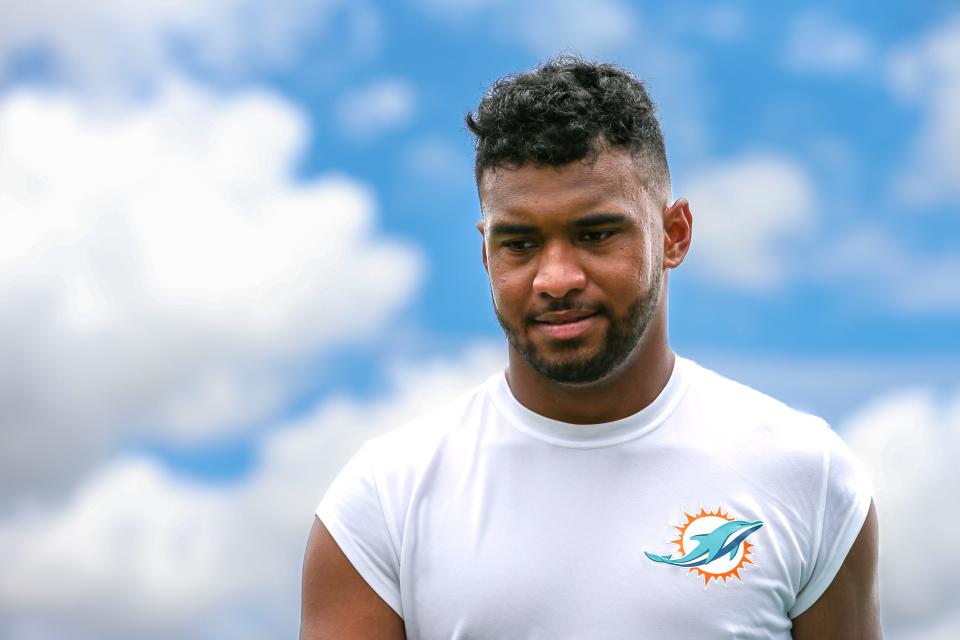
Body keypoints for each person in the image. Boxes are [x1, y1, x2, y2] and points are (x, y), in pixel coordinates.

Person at [300, 57, 880, 639]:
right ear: (485, 253)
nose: (555, 278)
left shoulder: (807, 476)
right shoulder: (383, 501)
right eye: (520, 243)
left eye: (596, 234)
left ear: (673, 234)